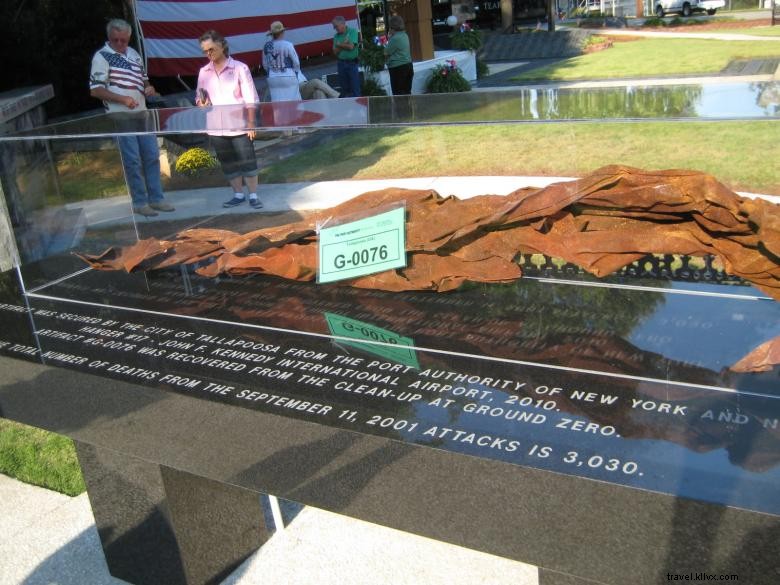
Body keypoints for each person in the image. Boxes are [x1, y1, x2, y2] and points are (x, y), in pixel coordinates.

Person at [89, 18, 174, 218]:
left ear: (128, 38)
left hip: (142, 112)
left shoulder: (134, 54)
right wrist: (121, 99)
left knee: (152, 156)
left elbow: (143, 80)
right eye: (115, 40)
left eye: (124, 40)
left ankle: (157, 198)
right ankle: (139, 201)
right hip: (120, 115)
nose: (120, 44)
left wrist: (148, 88)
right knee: (133, 160)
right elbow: (96, 90)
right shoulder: (101, 57)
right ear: (109, 38)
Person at [196, 30, 262, 209]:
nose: (208, 54)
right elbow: (200, 97)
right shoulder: (204, 72)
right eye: (205, 51)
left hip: (239, 125)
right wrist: (201, 103)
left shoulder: (240, 68)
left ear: (222, 45)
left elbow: (250, 98)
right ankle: (238, 194)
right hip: (216, 126)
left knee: (247, 160)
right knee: (228, 162)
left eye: (211, 49)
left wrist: (250, 123)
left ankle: (254, 195)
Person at [263, 21, 302, 102]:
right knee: (294, 102)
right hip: (288, 75)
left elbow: (265, 65)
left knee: (277, 103)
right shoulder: (288, 45)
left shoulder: (266, 46)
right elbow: (296, 62)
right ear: (282, 32)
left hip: (273, 77)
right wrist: (296, 73)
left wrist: (271, 72)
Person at [332, 16, 361, 97]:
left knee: (355, 88)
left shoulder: (352, 31)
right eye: (334, 27)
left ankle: (358, 107)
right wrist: (345, 44)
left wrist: (339, 45)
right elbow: (335, 52)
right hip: (341, 64)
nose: (335, 28)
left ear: (342, 24)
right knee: (344, 88)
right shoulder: (336, 36)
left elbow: (351, 47)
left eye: (336, 26)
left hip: (352, 64)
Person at [384, 15, 414, 96]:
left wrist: (389, 38)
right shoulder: (405, 35)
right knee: (407, 93)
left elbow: (385, 52)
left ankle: (401, 109)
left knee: (398, 95)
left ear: (392, 28)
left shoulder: (395, 38)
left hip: (398, 68)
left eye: (390, 27)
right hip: (408, 66)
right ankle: (409, 108)